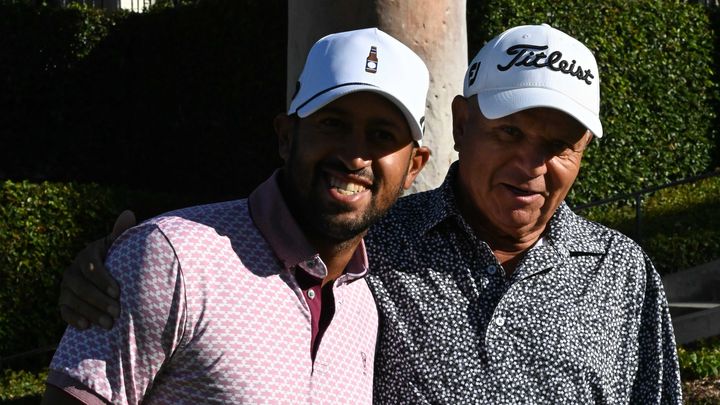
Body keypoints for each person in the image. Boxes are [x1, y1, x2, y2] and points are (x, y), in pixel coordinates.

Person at [57, 24, 683, 404]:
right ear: (462, 124)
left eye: (560, 145)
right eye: (510, 132)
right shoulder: (377, 244)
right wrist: (127, 262)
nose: (531, 164)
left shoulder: (624, 275)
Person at [43, 27, 430, 404]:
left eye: (382, 135)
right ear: (286, 136)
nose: (354, 156)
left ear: (414, 166)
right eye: (333, 123)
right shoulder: (171, 258)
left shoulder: (363, 305)